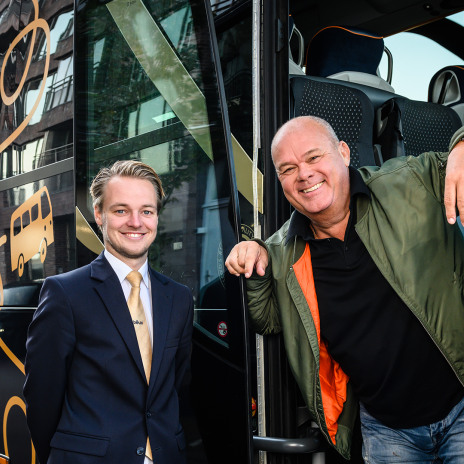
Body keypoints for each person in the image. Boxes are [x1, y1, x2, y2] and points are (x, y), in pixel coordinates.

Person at [225, 116, 464, 463]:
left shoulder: (409, 182)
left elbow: (452, 162)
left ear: (344, 152)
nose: (304, 174)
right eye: (288, 169)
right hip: (386, 431)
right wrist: (255, 259)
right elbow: (268, 321)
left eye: (313, 157)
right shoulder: (281, 252)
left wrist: (460, 145)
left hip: (459, 408)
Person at [24, 160, 193, 464]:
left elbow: (176, 385)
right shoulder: (65, 293)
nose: (136, 222)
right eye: (121, 210)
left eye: (146, 211)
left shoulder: (179, 298)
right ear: (99, 214)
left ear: (156, 216)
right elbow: (42, 395)